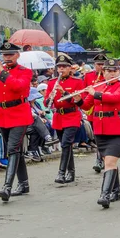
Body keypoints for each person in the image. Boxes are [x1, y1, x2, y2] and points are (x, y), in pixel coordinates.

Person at [0, 42, 33, 201]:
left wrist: (2, 71)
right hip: (3, 114)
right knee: (16, 151)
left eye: (10, 55)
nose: (7, 58)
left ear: (17, 55)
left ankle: (7, 186)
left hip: (20, 114)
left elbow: (17, 87)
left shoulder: (25, 72)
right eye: (4, 55)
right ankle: (23, 184)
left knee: (13, 149)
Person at [79, 59, 120, 208]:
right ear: (104, 72)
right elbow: (86, 105)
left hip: (117, 129)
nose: (111, 73)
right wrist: (76, 100)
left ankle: (104, 195)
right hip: (100, 129)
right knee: (109, 161)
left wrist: (96, 93)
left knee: (109, 162)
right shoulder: (98, 85)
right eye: (108, 70)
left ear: (118, 72)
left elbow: (115, 98)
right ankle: (116, 190)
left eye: (114, 71)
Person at [44, 54, 85, 184]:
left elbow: (77, 101)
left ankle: (61, 173)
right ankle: (71, 172)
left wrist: (63, 92)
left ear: (69, 68)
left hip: (72, 116)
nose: (61, 69)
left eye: (64, 67)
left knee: (66, 143)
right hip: (58, 117)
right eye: (59, 67)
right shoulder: (52, 82)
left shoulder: (77, 82)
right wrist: (50, 97)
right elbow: (46, 104)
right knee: (65, 146)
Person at [84, 53, 107, 173]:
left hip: (103, 109)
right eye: (98, 64)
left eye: (103, 64)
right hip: (91, 109)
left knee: (103, 136)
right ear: (94, 65)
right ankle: (100, 158)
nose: (101, 67)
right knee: (97, 136)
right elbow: (84, 91)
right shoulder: (88, 76)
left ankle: (100, 159)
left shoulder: (109, 77)